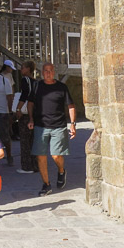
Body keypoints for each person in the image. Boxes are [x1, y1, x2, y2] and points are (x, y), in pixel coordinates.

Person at [25, 62, 75, 196]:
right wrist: (31, 119)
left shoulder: (62, 87)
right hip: (40, 126)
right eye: (45, 70)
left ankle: (61, 171)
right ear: (42, 72)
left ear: (54, 72)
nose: (48, 73)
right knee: (41, 157)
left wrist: (73, 124)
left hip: (58, 126)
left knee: (56, 155)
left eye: (50, 70)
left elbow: (71, 106)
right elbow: (30, 103)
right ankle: (46, 184)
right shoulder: (36, 86)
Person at [15, 61, 37, 174]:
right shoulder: (36, 81)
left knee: (25, 141)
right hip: (35, 113)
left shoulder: (25, 80)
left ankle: (26, 167)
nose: (21, 70)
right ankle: (35, 165)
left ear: (28, 69)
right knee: (33, 140)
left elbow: (24, 95)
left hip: (26, 113)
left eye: (22, 67)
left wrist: (18, 108)